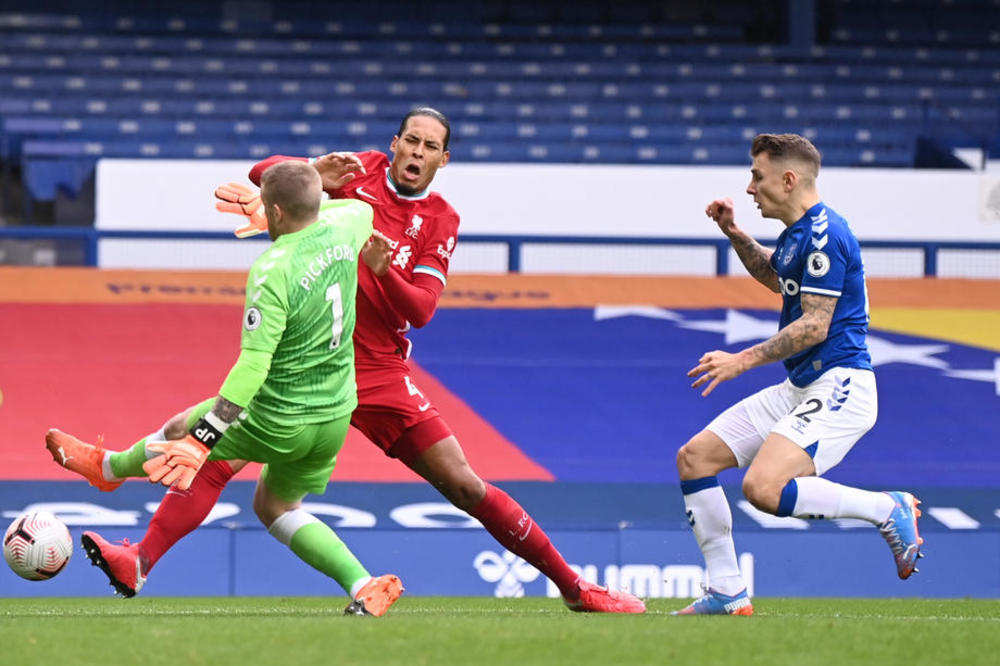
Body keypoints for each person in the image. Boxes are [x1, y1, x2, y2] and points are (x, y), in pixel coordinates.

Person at [47, 107, 645, 614]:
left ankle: (574, 587)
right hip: (308, 362)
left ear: (443, 160)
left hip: (379, 371)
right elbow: (269, 178)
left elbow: (422, 309)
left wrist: (386, 273)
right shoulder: (361, 175)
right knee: (218, 463)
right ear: (394, 144)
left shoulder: (439, 220)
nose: (416, 152)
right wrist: (314, 166)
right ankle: (137, 552)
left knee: (463, 483)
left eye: (430, 147)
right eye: (410, 140)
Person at [53, 161, 404, 616]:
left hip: (280, 416)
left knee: (183, 430)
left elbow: (253, 366)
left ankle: (109, 469)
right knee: (278, 506)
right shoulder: (350, 222)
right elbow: (350, 209)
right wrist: (306, 186)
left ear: (274, 212)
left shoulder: (273, 269)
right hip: (335, 414)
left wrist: (205, 436)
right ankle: (363, 584)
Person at [671, 133, 923, 616]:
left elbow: (814, 325)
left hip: (841, 385)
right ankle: (726, 591)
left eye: (757, 176)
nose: (750, 188)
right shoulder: (798, 233)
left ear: (788, 180)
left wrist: (741, 360)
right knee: (695, 459)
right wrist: (734, 232)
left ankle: (886, 508)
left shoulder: (827, 234)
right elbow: (776, 276)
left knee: (763, 489)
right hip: (802, 386)